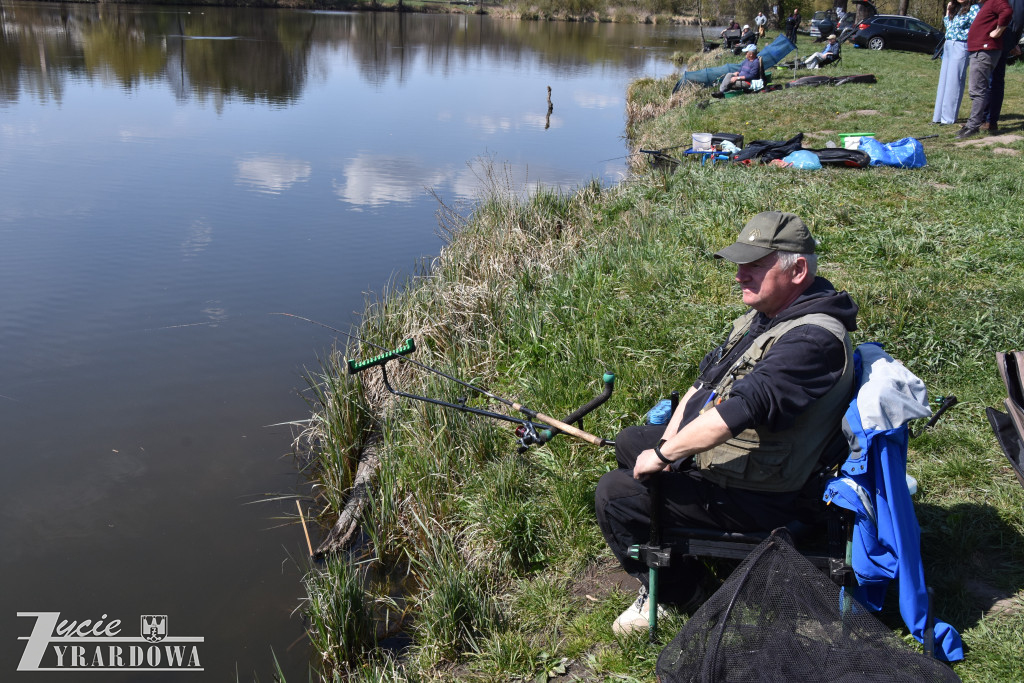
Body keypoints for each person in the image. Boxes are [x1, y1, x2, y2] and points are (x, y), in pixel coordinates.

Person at [595, 212, 858, 635]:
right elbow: (704, 384)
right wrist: (668, 441)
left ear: (799, 270)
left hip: (767, 493)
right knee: (629, 442)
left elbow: (741, 410)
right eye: (739, 264)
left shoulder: (812, 341)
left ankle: (680, 592)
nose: (739, 276)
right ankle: (677, 540)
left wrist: (665, 455)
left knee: (613, 495)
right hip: (750, 460)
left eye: (754, 265)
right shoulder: (770, 317)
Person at [958, 0, 1012, 138]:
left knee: (977, 91)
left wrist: (998, 31)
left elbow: (1007, 12)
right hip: (979, 51)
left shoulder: (995, 1)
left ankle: (973, 126)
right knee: (976, 90)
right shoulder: (987, 4)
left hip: (984, 51)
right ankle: (973, 123)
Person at [933, 0, 981, 125]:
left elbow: (977, 28)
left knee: (954, 82)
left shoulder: (974, 9)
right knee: (943, 82)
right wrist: (948, 11)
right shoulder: (955, 7)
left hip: (961, 45)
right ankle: (937, 117)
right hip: (948, 44)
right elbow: (949, 26)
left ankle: (948, 118)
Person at [982, 0, 1024, 132]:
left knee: (994, 81)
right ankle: (982, 119)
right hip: (989, 39)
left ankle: (989, 120)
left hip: (1001, 39)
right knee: (984, 80)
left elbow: (1018, 17)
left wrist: (1012, 42)